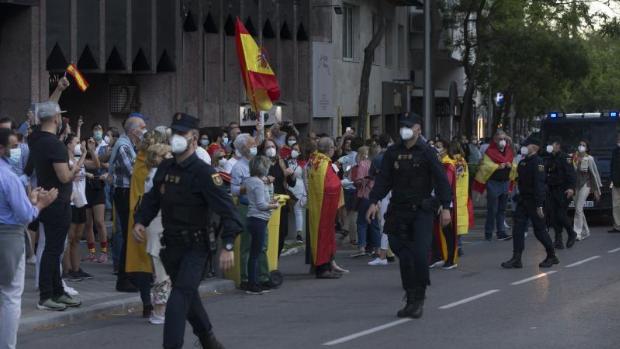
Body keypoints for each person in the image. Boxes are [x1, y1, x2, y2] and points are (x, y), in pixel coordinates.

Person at [133, 112, 243, 349]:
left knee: (178, 296)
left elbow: (229, 213)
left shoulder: (204, 173)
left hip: (196, 247)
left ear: (194, 138)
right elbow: (152, 199)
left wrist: (228, 245)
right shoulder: (166, 166)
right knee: (189, 296)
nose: (176, 138)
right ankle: (208, 339)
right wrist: (140, 221)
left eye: (182, 133)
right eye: (174, 133)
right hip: (171, 246)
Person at [366, 114, 452, 319]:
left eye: (409, 126)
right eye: (402, 126)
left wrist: (446, 207)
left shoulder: (427, 152)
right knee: (402, 254)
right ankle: (410, 294)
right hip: (399, 210)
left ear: (418, 129)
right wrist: (374, 201)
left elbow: (441, 181)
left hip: (421, 210)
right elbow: (384, 179)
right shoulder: (393, 153)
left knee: (421, 255)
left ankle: (418, 298)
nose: (404, 130)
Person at [0, 128, 59, 349]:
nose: (17, 151)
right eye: (13, 146)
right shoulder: (9, 177)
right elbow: (26, 214)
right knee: (11, 295)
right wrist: (40, 203)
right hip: (8, 239)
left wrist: (31, 200)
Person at [27, 101, 82, 310]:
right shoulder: (55, 145)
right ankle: (46, 295)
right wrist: (75, 169)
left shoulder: (36, 139)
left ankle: (58, 292)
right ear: (56, 118)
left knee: (53, 248)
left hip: (47, 199)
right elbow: (64, 176)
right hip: (57, 202)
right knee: (53, 250)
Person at [501, 135, 559, 269]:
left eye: (526, 145)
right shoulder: (523, 162)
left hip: (534, 201)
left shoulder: (538, 163)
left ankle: (552, 255)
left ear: (535, 147)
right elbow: (519, 180)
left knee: (539, 230)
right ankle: (516, 258)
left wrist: (539, 205)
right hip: (523, 200)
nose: (524, 147)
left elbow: (539, 185)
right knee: (518, 229)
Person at [109, 114, 147, 292]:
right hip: (124, 193)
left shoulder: (131, 145)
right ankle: (124, 279)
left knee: (131, 235)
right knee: (127, 235)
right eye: (142, 127)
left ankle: (132, 276)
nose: (145, 130)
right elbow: (134, 171)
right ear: (133, 130)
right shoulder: (123, 146)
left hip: (128, 192)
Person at [307, 137, 345, 279]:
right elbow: (330, 186)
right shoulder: (322, 163)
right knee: (323, 236)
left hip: (319, 203)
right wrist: (340, 185)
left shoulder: (315, 159)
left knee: (324, 235)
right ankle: (322, 269)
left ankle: (326, 265)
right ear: (330, 149)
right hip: (323, 204)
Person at [143, 142, 173, 325]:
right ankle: (159, 310)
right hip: (159, 224)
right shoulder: (157, 176)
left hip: (159, 224)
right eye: (167, 155)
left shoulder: (156, 175)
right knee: (161, 270)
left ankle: (162, 308)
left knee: (162, 268)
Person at [245, 155, 280, 295]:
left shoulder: (251, 181)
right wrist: (274, 205)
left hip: (254, 218)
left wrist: (271, 200)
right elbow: (261, 205)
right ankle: (253, 284)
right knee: (256, 253)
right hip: (258, 219)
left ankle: (254, 281)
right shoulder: (258, 183)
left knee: (254, 252)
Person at [62, 135, 95, 281]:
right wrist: (82, 154)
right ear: (69, 145)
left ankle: (76, 268)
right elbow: (73, 172)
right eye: (76, 142)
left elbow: (96, 164)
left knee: (77, 237)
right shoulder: (65, 160)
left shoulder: (79, 160)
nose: (79, 145)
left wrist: (89, 152)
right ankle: (67, 269)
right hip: (71, 202)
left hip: (81, 200)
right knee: (69, 237)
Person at [473, 130, 515, 241]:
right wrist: (497, 166)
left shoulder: (509, 151)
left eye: (504, 139)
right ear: (495, 140)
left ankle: (501, 232)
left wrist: (510, 165)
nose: (503, 141)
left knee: (502, 210)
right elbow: (484, 166)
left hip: (505, 182)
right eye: (500, 139)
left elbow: (514, 163)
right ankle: (488, 232)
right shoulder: (490, 151)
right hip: (493, 183)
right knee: (492, 209)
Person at [258, 139, 295, 256]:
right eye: (268, 147)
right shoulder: (260, 163)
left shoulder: (282, 162)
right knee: (269, 233)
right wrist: (281, 174)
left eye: (273, 146)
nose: (271, 149)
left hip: (281, 202)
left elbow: (291, 183)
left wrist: (291, 175)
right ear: (263, 150)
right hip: (267, 201)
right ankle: (267, 260)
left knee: (282, 232)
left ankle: (275, 260)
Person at [543, 138, 577, 249]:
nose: (550, 146)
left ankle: (571, 233)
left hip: (563, 190)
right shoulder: (549, 158)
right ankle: (558, 240)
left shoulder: (565, 157)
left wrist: (571, 188)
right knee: (553, 215)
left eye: (551, 144)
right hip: (552, 190)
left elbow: (571, 174)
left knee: (561, 215)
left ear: (557, 145)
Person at [83, 123, 110, 263]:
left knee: (99, 221)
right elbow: (87, 164)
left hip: (98, 186)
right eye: (95, 130)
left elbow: (100, 165)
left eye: (99, 129)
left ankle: (104, 252)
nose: (97, 132)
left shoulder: (105, 147)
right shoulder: (84, 155)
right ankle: (91, 252)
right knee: (88, 223)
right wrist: (87, 150)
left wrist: (93, 151)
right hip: (86, 188)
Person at [350, 146, 380, 257]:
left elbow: (358, 181)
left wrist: (358, 182)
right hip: (375, 197)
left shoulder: (362, 164)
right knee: (374, 222)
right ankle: (377, 248)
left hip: (364, 195)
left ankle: (362, 247)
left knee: (361, 222)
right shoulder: (377, 164)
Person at [572, 140, 602, 241]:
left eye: (583, 145)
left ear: (587, 148)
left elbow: (595, 174)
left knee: (579, 208)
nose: (581, 146)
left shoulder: (589, 159)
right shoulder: (574, 157)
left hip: (586, 185)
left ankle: (577, 233)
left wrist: (597, 190)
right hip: (575, 185)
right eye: (580, 144)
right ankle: (586, 230)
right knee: (578, 210)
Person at [286, 142, 307, 243]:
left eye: (297, 149)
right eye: (293, 149)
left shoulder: (303, 163)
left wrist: (306, 192)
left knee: (298, 211)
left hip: (299, 188)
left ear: (300, 152)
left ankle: (299, 234)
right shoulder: (286, 161)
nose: (294, 151)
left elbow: (305, 178)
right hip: (287, 187)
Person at [610, 132, 620, 233]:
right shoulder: (615, 151)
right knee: (616, 205)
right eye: (618, 139)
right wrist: (612, 179)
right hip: (616, 182)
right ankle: (617, 226)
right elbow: (612, 166)